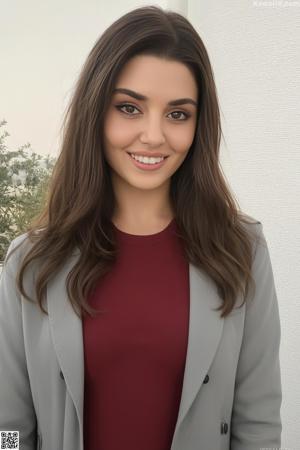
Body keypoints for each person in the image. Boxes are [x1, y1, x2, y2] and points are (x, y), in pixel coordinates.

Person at [0, 5, 282, 450]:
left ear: (198, 124)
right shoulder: (30, 261)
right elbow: (8, 428)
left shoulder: (241, 249)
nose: (153, 135)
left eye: (177, 114)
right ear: (95, 110)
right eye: (129, 108)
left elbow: (259, 425)